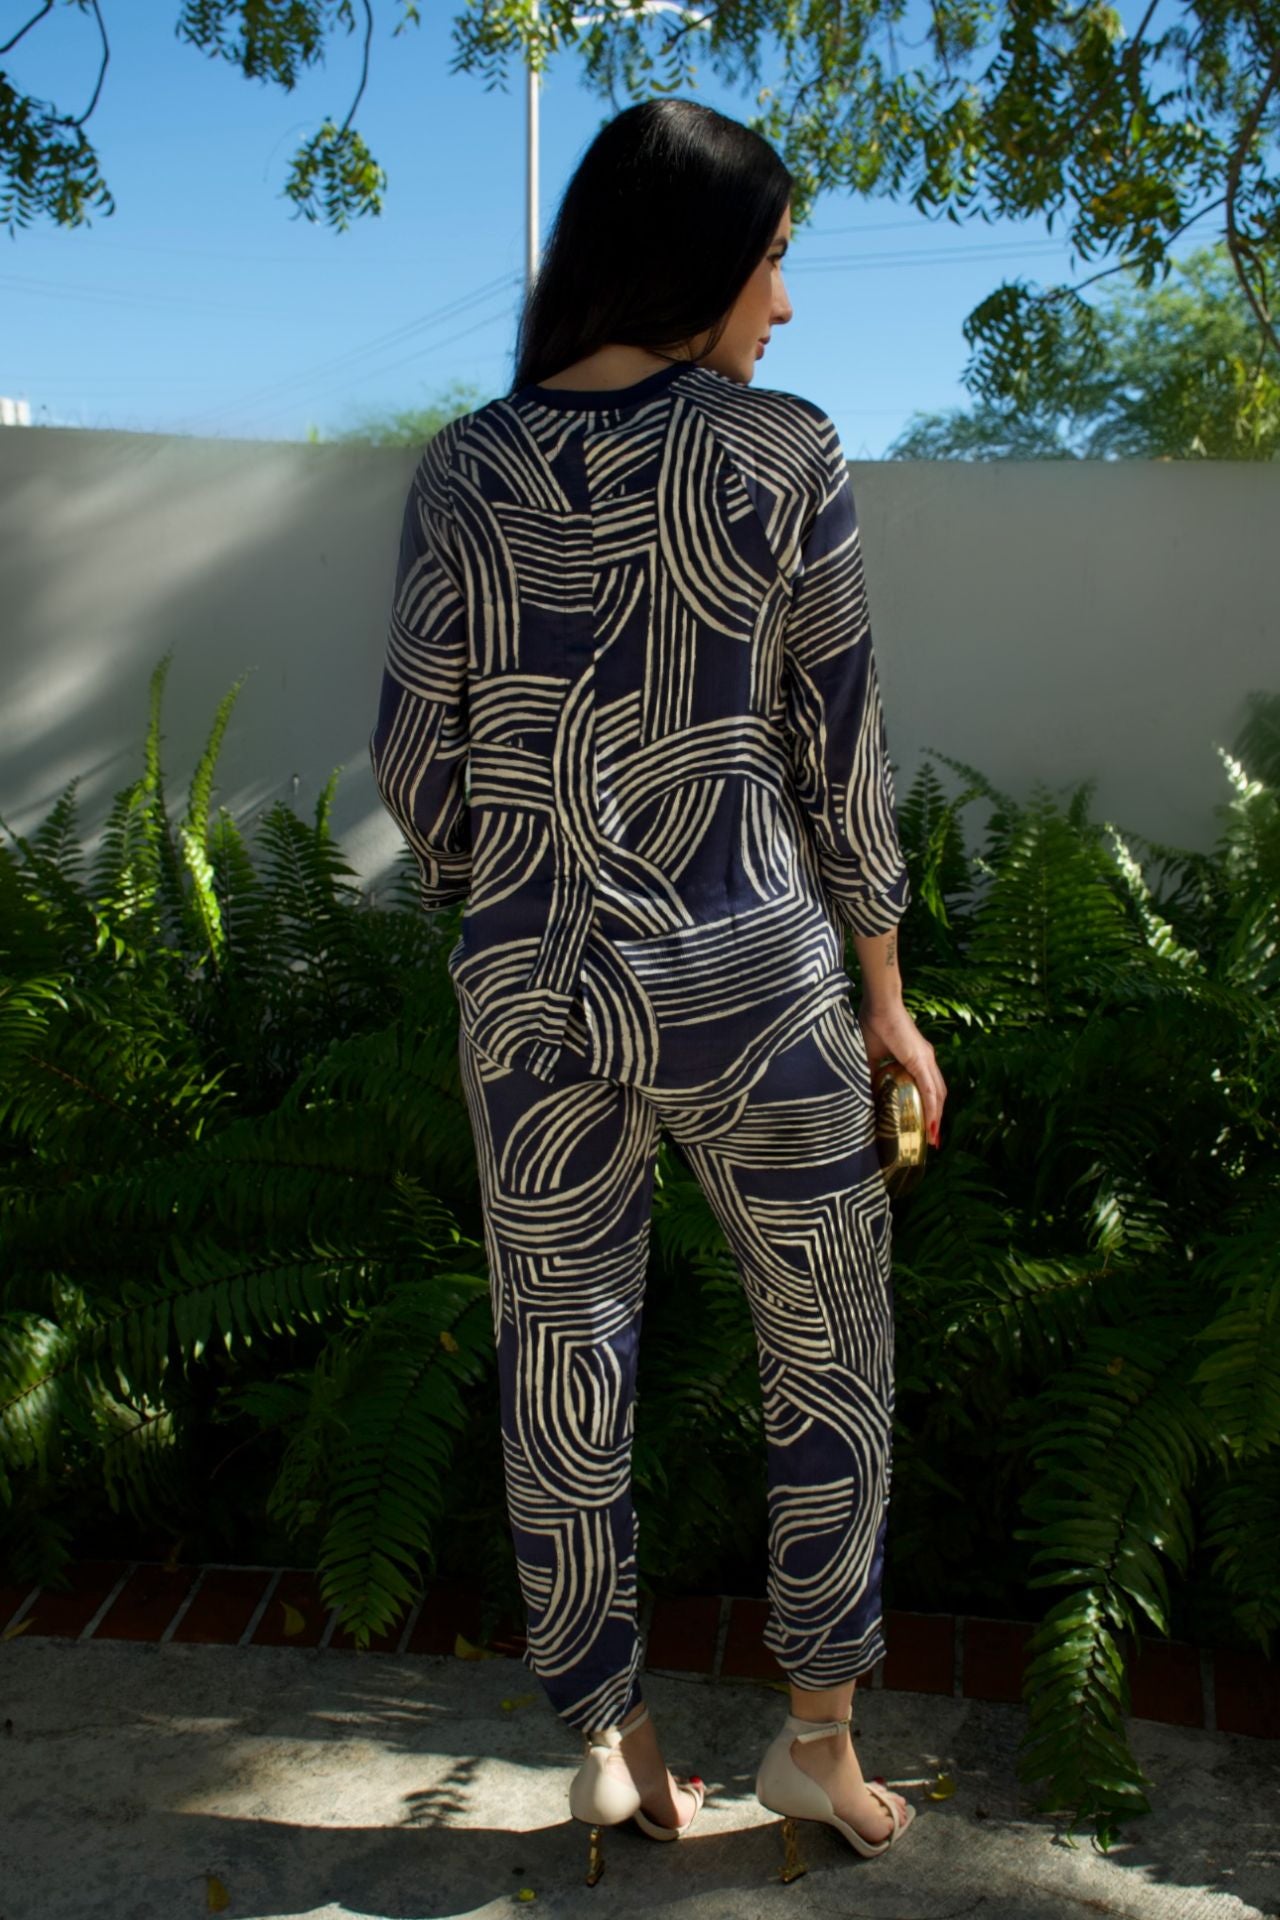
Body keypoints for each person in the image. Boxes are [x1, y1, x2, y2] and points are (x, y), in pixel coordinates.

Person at [369, 96, 947, 1883]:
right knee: (828, 1352)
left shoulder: (465, 469)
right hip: (754, 975)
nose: (786, 304)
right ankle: (816, 1748)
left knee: (564, 1359)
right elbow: (838, 761)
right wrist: (888, 998)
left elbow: (413, 763)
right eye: (775, 259)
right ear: (700, 257)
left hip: (532, 988)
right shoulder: (783, 455)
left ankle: (616, 1750)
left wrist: (511, 893)